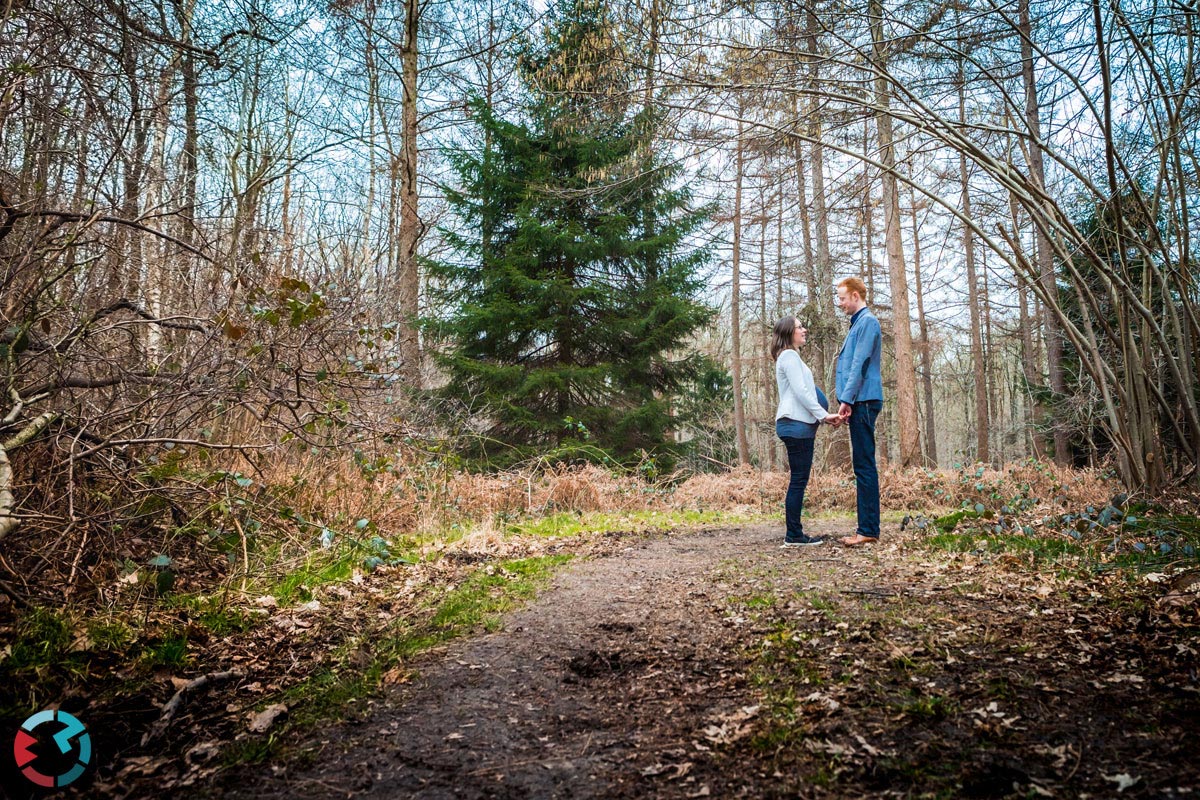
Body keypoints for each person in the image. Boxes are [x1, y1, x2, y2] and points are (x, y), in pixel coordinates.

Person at [772, 316, 842, 547]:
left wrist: (823, 417)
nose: (804, 329)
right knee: (798, 480)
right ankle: (794, 534)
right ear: (789, 332)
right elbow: (802, 392)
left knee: (798, 479)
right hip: (795, 424)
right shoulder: (789, 356)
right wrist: (823, 415)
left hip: (797, 424)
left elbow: (805, 391)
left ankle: (794, 532)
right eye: (800, 326)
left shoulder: (791, 357)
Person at [834, 277, 884, 547]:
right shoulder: (858, 324)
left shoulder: (867, 323)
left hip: (863, 400)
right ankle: (867, 528)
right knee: (862, 465)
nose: (840, 303)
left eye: (842, 298)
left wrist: (847, 399)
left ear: (855, 296)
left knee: (864, 466)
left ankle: (867, 529)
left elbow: (860, 363)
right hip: (860, 400)